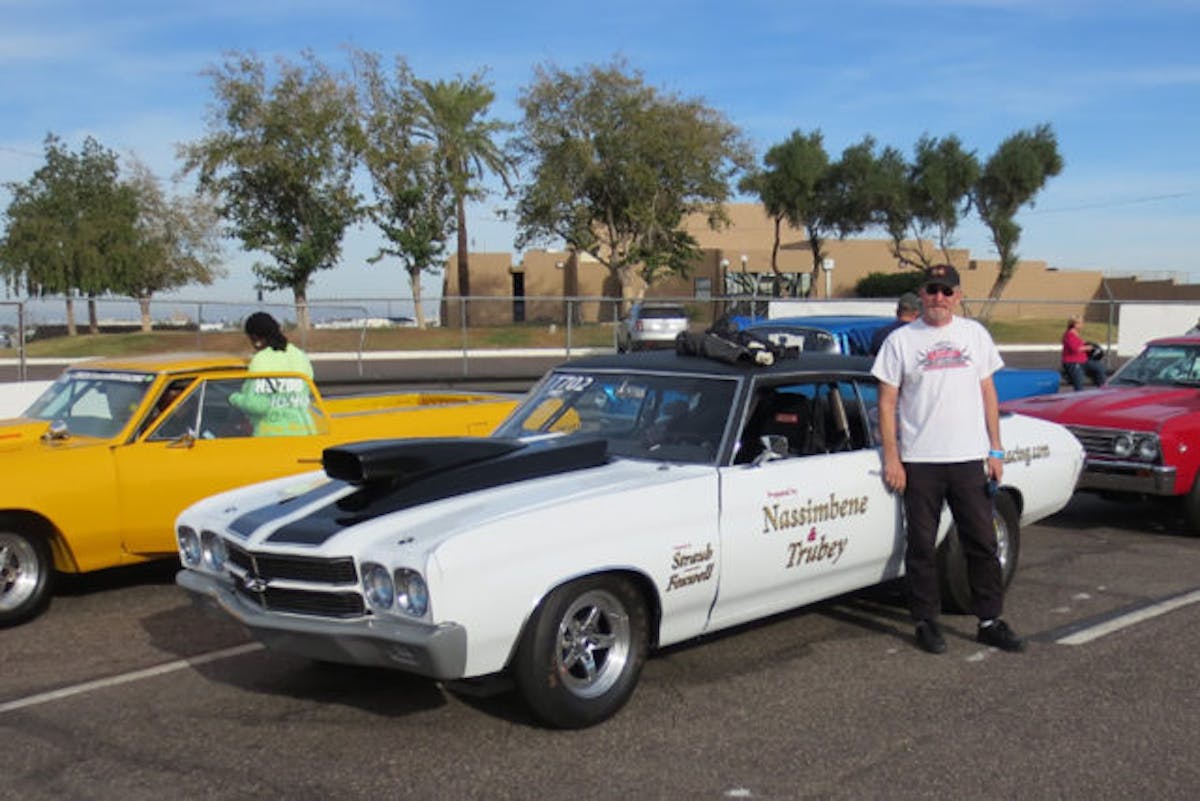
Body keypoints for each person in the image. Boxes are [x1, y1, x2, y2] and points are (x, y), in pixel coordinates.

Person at [872, 264, 1025, 655]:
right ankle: (926, 621)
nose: (938, 297)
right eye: (931, 290)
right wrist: (893, 457)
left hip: (968, 458)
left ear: (958, 296)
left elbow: (988, 393)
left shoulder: (975, 335)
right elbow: (887, 403)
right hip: (920, 461)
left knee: (982, 541)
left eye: (946, 290)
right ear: (921, 294)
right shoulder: (901, 342)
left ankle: (990, 620)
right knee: (921, 545)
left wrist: (995, 448)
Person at [229, 312, 316, 436]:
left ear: (255, 338)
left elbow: (257, 405)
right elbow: (307, 392)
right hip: (305, 431)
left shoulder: (261, 360)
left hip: (272, 435)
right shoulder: (300, 355)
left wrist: (233, 398)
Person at [1061, 316, 1106, 391]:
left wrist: (1089, 345)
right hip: (1073, 362)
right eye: (1080, 323)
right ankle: (1079, 396)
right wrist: (1089, 347)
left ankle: (1102, 389)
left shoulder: (1076, 334)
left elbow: (1080, 344)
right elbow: (1075, 349)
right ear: (1075, 324)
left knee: (1099, 368)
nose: (1082, 324)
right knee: (1079, 383)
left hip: (1083, 361)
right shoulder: (1069, 334)